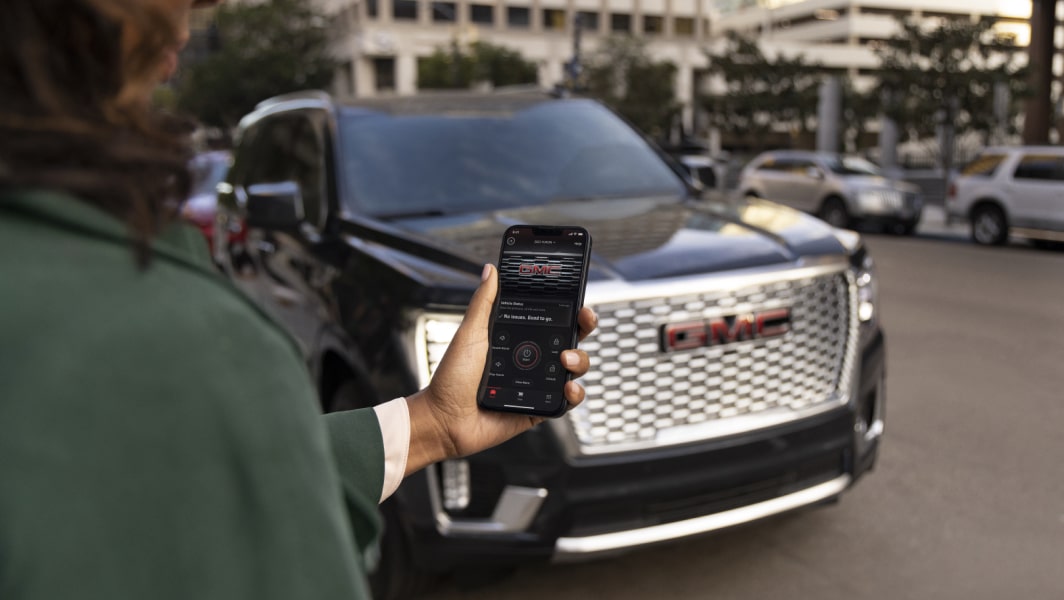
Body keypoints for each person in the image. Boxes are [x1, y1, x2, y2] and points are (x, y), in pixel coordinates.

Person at [0, 1, 596, 599]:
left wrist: (432, 425)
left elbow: (148, 495)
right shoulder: (180, 342)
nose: (182, 33)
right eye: (173, 7)